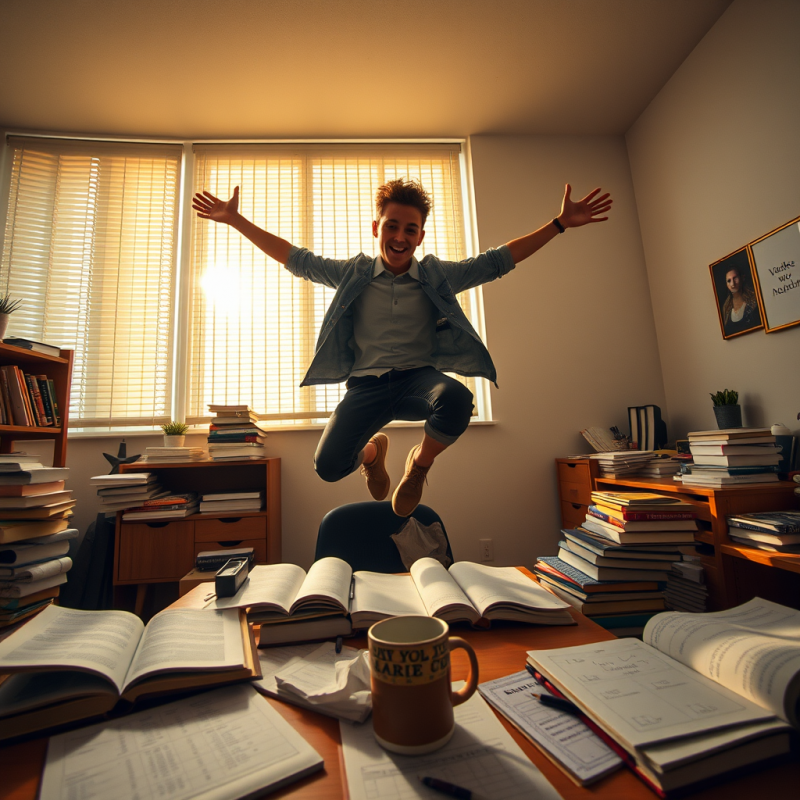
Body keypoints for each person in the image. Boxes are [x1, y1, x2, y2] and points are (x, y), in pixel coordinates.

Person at [192, 179, 612, 516]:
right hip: (366, 388)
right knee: (328, 467)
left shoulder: (437, 276)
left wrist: (558, 224)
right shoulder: (352, 274)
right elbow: (295, 258)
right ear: (376, 228)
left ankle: (418, 468)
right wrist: (236, 220)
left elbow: (496, 261)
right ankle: (373, 453)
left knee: (457, 399)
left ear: (420, 236)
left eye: (410, 229)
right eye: (391, 226)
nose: (399, 236)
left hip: (417, 383)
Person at [722, 265, 760, 335]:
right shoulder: (726, 308)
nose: (732, 284)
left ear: (742, 278)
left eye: (735, 278)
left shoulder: (754, 301)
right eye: (729, 281)